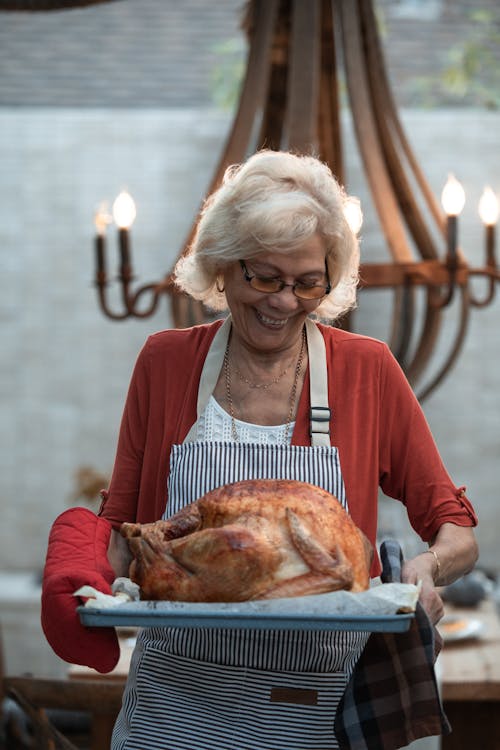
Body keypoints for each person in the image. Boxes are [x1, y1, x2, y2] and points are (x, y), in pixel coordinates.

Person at [41, 150, 478, 750]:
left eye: (308, 282)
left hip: (317, 712)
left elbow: (455, 530)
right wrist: (78, 576)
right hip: (175, 709)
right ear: (222, 267)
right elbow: (123, 530)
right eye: (265, 277)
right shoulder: (166, 363)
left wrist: (425, 573)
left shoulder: (367, 369)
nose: (284, 301)